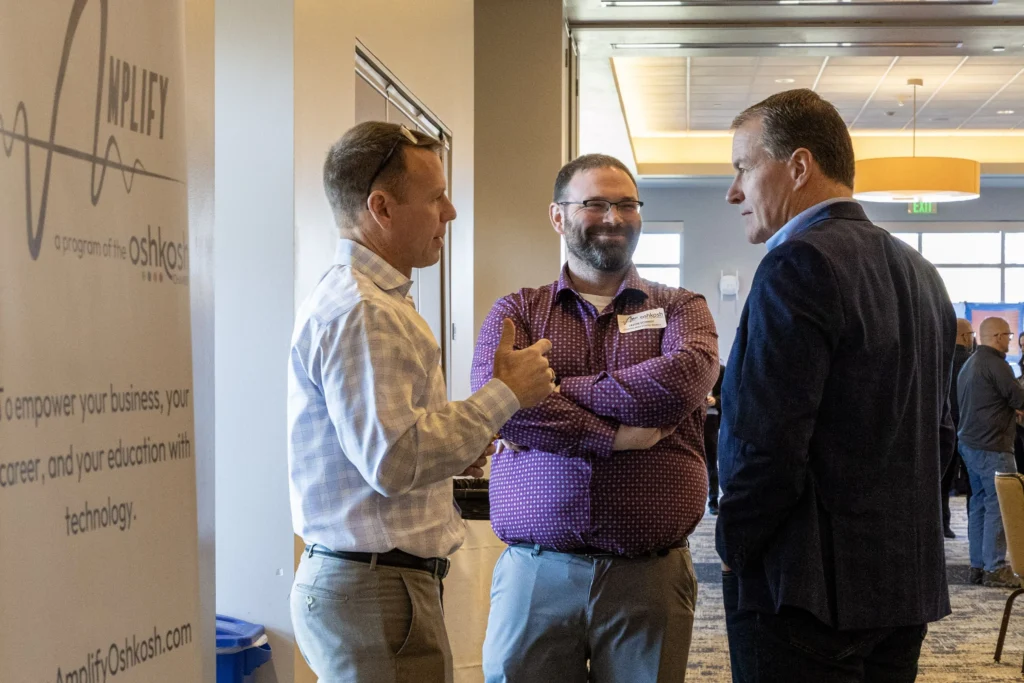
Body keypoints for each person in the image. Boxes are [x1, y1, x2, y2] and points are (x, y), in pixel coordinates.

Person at [287, 121, 556, 683]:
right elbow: (392, 460)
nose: (451, 212)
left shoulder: (371, 301)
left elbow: (390, 445)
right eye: (436, 198)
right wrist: (505, 395)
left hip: (378, 585)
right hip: (375, 590)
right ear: (380, 207)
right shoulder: (366, 311)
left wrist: (458, 448)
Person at [716, 89, 956, 683]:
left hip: (807, 592)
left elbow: (765, 443)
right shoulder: (923, 274)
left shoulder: (797, 263)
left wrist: (733, 547)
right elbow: (942, 434)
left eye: (743, 167)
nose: (733, 191)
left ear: (799, 166)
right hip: (902, 585)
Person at [470, 153, 719, 683]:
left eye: (626, 204)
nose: (613, 217)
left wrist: (553, 387)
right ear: (558, 217)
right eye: (596, 203)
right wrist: (611, 437)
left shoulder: (682, 309)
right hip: (536, 572)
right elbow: (499, 405)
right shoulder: (516, 312)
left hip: (649, 576)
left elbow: (680, 383)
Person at [957, 316, 1024, 588]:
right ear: (997, 336)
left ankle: (979, 566)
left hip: (970, 445)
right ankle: (995, 568)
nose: (1010, 339)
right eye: (1008, 335)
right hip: (993, 446)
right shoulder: (997, 365)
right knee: (1000, 506)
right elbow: (1019, 400)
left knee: (980, 504)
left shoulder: (970, 364)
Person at [941, 319, 975, 538]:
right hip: (971, 430)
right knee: (974, 484)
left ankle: (943, 524)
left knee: (943, 481)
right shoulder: (974, 364)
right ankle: (975, 527)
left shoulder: (941, 361)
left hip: (946, 428)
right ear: (964, 336)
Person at [705, 363, 725, 515]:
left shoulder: (721, 370)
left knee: (712, 461)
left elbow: (728, 393)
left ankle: (713, 501)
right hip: (689, 418)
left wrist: (715, 401)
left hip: (711, 418)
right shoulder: (688, 366)